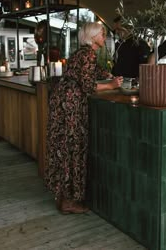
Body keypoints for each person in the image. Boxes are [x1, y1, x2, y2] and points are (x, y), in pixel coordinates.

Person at [44, 22, 123, 214]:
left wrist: (111, 76)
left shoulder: (83, 52)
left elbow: (95, 72)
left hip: (63, 101)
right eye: (102, 34)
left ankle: (63, 196)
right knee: (73, 147)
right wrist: (112, 85)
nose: (104, 37)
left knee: (63, 147)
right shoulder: (87, 54)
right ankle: (68, 201)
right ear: (94, 37)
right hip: (71, 105)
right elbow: (88, 86)